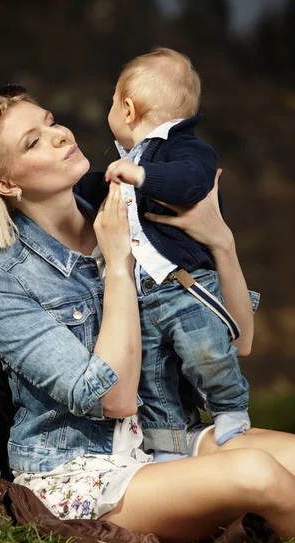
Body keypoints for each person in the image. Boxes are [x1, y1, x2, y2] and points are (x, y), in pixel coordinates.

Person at [0, 86, 295, 543]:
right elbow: (115, 400)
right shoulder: (1, 284)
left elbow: (237, 341)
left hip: (166, 434)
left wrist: (220, 242)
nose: (58, 135)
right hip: (87, 470)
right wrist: (117, 266)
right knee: (257, 475)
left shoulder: (135, 211)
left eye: (50, 121)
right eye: (32, 142)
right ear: (6, 185)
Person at [104, 47, 253, 460]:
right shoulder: (126, 161)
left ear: (128, 109)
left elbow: (189, 183)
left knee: (207, 350)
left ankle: (229, 408)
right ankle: (167, 442)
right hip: (142, 296)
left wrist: (143, 176)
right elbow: (93, 194)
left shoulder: (184, 150)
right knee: (151, 373)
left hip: (183, 282)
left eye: (112, 102)